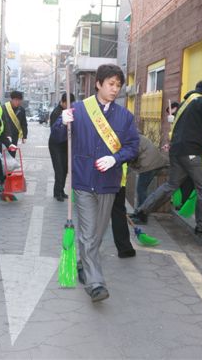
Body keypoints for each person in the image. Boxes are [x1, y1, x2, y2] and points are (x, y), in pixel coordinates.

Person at [51, 64, 139, 302]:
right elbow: (57, 138)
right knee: (89, 233)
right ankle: (95, 282)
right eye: (111, 84)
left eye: (118, 85)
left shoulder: (125, 117)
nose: (115, 89)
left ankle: (83, 263)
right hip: (83, 181)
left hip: (109, 183)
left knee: (98, 233)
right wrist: (62, 122)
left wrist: (115, 158)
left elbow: (133, 147)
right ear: (98, 84)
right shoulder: (78, 109)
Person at [135, 80, 202, 236]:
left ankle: (142, 211)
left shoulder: (185, 103)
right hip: (191, 152)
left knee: (171, 185)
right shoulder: (201, 100)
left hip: (176, 152)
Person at [48, 92, 75, 202]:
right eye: (68, 103)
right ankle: (57, 192)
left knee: (64, 169)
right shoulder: (57, 113)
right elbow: (56, 132)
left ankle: (61, 190)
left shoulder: (68, 111)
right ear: (63, 102)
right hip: (56, 145)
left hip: (65, 146)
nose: (70, 106)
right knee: (59, 170)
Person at [110, 164, 136, 258]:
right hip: (117, 178)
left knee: (94, 213)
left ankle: (89, 251)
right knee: (118, 212)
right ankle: (125, 248)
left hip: (95, 180)